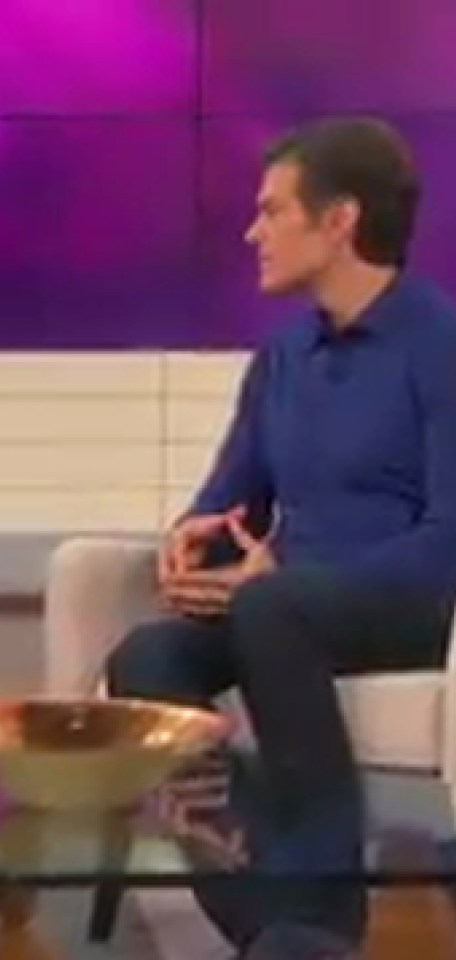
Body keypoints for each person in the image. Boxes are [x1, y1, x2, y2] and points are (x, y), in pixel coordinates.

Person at [105, 117, 456, 958]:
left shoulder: (439, 344)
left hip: (413, 598)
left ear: (339, 221)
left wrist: (279, 582)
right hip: (291, 606)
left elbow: (448, 536)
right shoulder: (284, 356)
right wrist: (193, 542)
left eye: (272, 210)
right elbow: (232, 500)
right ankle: (272, 918)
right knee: (147, 660)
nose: (251, 232)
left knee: (272, 608)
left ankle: (324, 915)